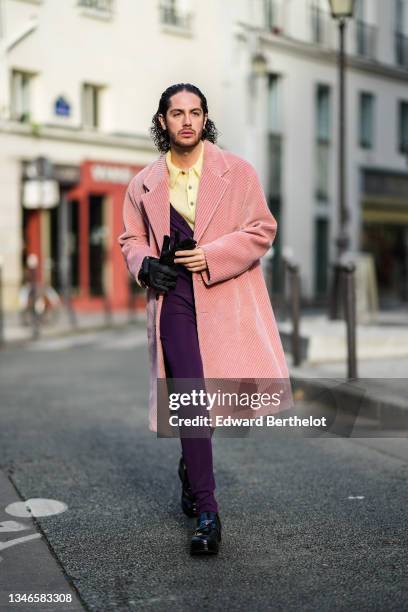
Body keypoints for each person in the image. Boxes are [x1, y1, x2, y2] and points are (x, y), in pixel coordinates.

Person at [118, 83, 292, 556]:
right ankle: (209, 512)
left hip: (225, 295)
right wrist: (143, 264)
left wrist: (212, 254)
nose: (187, 121)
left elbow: (262, 228)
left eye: (195, 113)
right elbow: (129, 239)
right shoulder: (143, 183)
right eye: (177, 113)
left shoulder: (237, 172)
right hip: (173, 298)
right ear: (163, 122)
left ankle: (189, 467)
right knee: (192, 397)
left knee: (212, 399)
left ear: (205, 117)